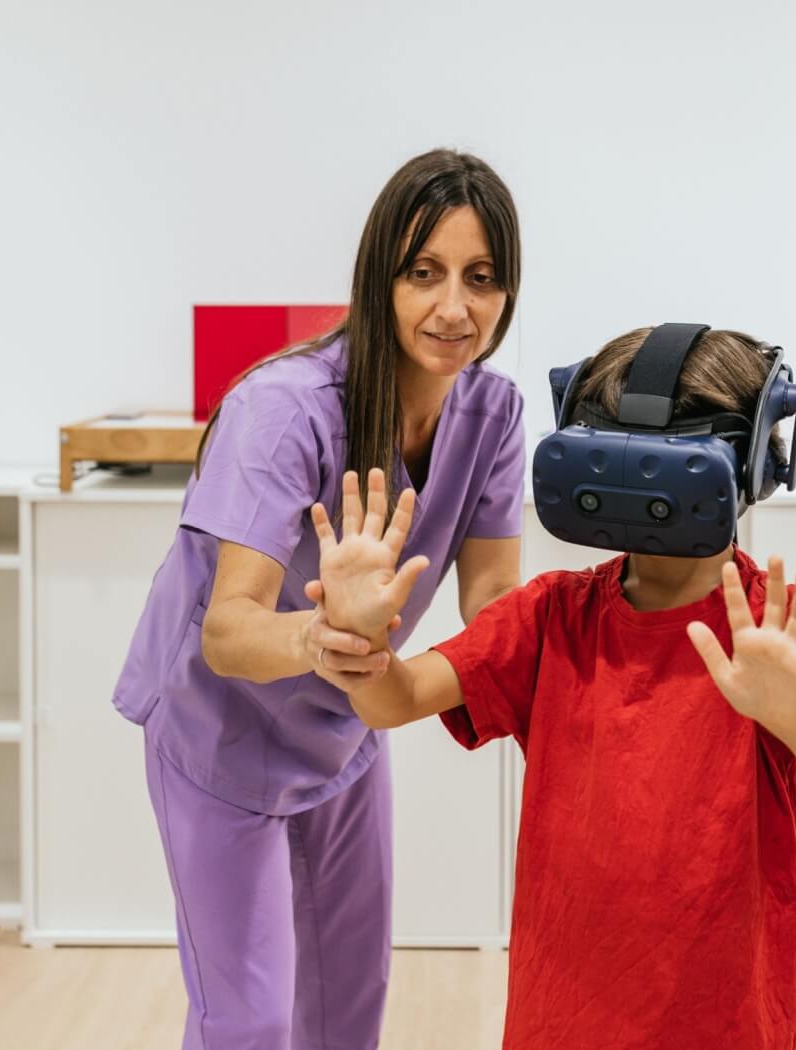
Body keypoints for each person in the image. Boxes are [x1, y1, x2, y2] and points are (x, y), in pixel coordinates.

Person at [308, 326, 796, 1050]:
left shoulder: (775, 633)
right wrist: (359, 640)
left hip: (730, 1023)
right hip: (564, 1019)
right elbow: (393, 700)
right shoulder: (553, 615)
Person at [111, 148, 525, 1050]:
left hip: (343, 725)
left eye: (481, 278)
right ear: (382, 277)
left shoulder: (492, 413)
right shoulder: (284, 409)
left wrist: (551, 680)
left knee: (347, 1005)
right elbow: (229, 630)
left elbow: (494, 590)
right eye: (425, 272)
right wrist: (326, 636)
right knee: (250, 1019)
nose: (455, 307)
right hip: (219, 729)